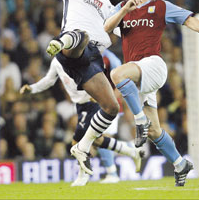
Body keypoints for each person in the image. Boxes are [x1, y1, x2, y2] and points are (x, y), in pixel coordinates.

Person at [0, 0, 122, 175]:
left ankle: (82, 147)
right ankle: (64, 39)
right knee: (83, 36)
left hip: (92, 62)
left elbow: (127, 35)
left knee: (111, 108)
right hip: (73, 51)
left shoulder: (111, 8)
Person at [104, 0, 199, 186]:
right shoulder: (122, 6)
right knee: (154, 131)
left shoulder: (160, 6)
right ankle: (180, 163)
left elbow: (188, 19)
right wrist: (124, 10)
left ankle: (139, 121)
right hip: (138, 76)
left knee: (116, 74)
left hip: (153, 65)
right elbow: (106, 29)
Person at [20, 50, 143, 186]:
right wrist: (32, 88)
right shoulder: (56, 62)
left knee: (77, 143)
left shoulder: (83, 58)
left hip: (93, 102)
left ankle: (84, 175)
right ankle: (130, 151)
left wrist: (99, 93)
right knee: (96, 140)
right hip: (80, 105)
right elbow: (49, 80)